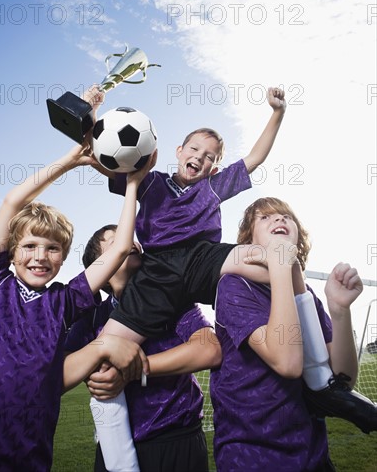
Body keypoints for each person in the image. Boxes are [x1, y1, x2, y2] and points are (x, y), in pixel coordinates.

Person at [87, 87, 287, 468]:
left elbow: (256, 157)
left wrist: (277, 112)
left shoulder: (213, 186)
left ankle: (315, 372)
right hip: (157, 272)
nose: (200, 156)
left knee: (274, 260)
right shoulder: (151, 181)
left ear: (214, 167)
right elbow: (107, 157)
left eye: (210, 156)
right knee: (103, 356)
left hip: (201, 259)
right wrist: (93, 117)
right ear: (178, 151)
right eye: (194, 148)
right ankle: (118, 460)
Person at [0, 86, 155, 472]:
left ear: (64, 257)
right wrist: (71, 160)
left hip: (26, 456)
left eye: (52, 249)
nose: (40, 256)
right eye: (30, 246)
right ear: (13, 251)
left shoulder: (64, 302)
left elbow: (118, 249)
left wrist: (132, 185)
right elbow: (12, 203)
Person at [210, 197, 376, 471]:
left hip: (311, 451)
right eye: (265, 218)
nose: (279, 219)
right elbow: (287, 362)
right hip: (252, 452)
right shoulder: (235, 286)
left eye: (286, 216)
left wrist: (339, 310)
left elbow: (342, 380)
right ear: (249, 243)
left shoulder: (306, 295)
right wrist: (281, 268)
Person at [63, 224, 222, 472]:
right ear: (100, 265)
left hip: (177, 440)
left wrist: (134, 369)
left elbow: (210, 349)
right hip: (114, 443)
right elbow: (60, 369)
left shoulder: (171, 296)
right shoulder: (91, 317)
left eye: (132, 238)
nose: (132, 243)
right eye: (117, 241)